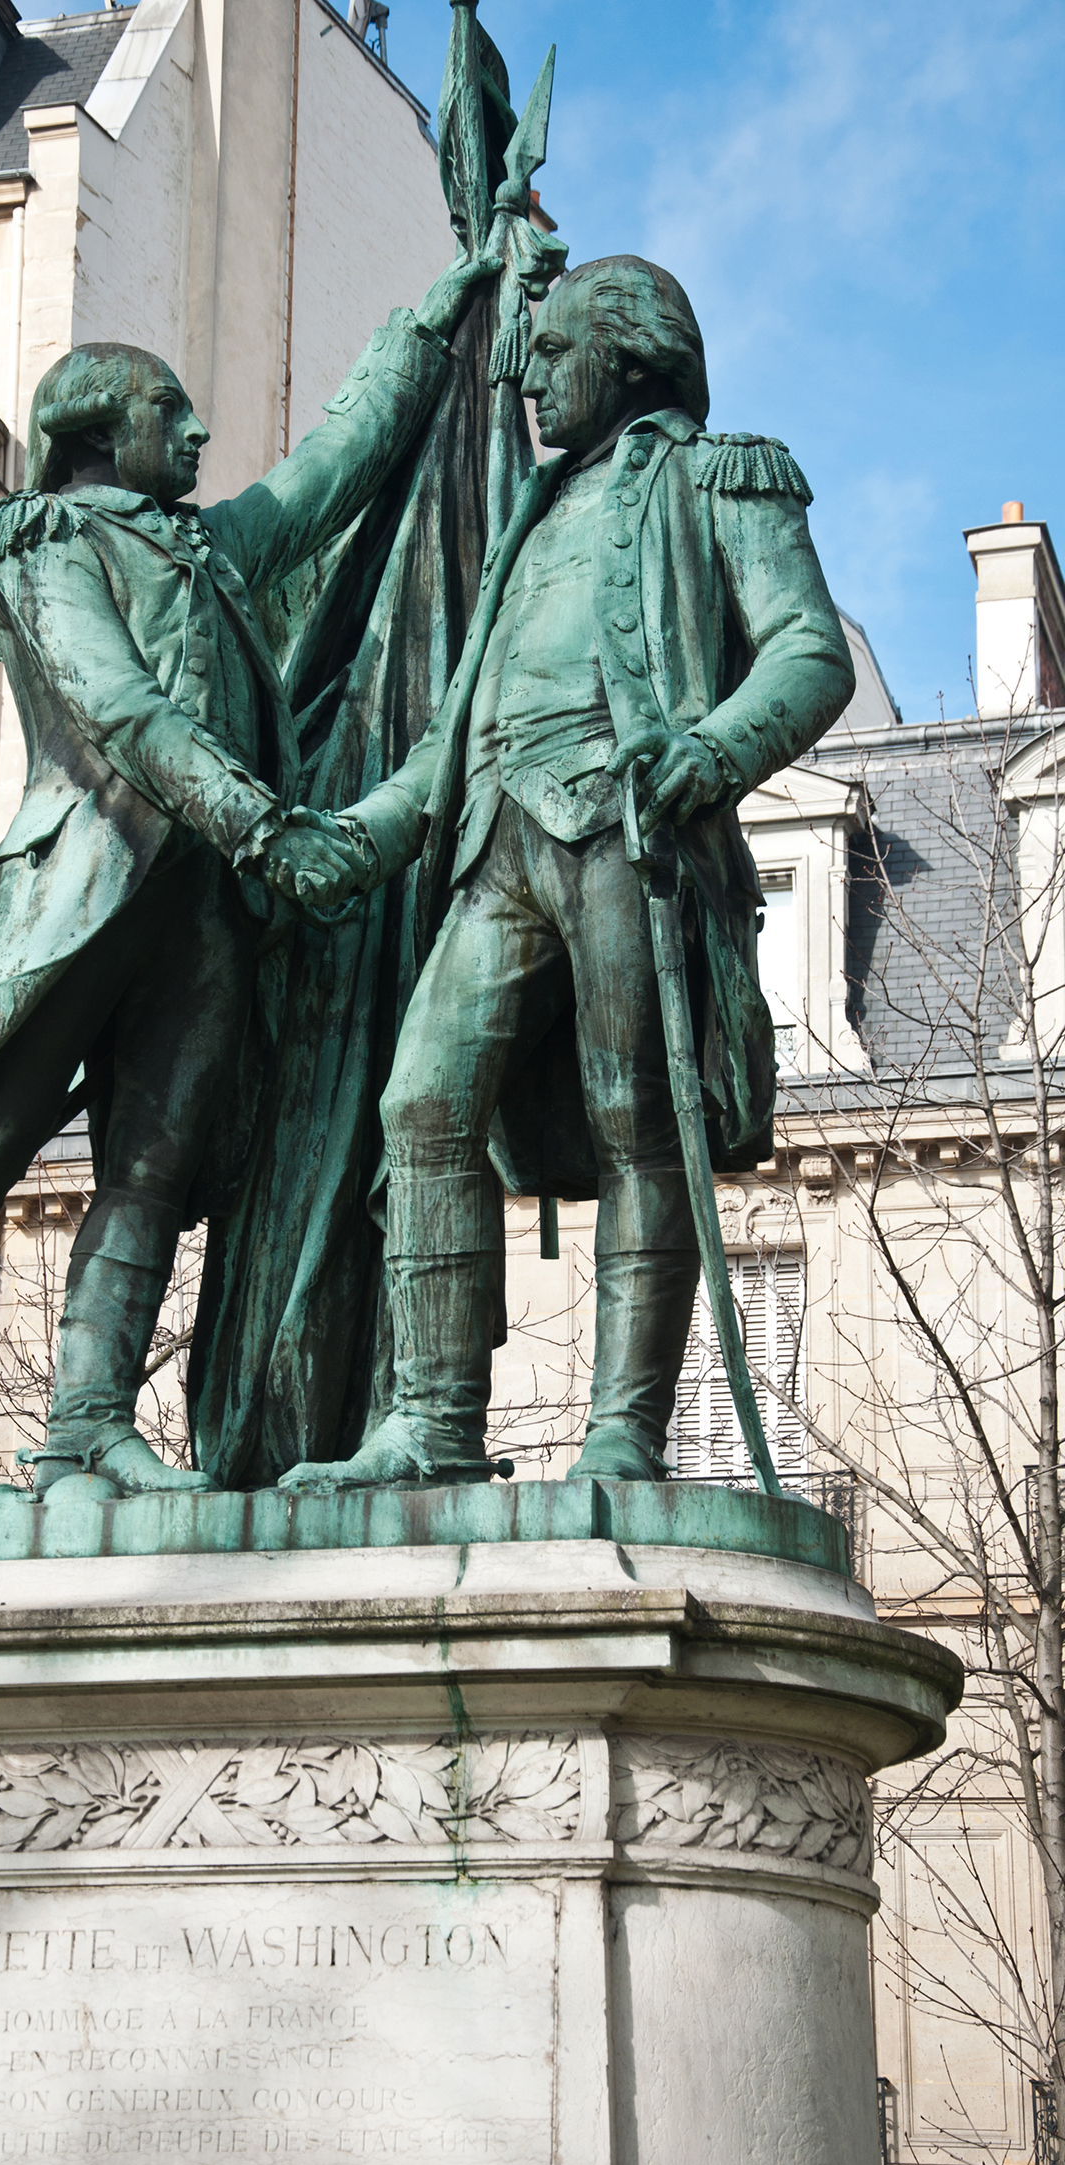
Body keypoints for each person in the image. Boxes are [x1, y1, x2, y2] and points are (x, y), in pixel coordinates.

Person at [0, 251, 496, 1507]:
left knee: (150, 1180)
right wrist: (266, 830)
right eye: (170, 412)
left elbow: (330, 471)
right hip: (86, 889)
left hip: (198, 917)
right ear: (98, 432)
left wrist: (434, 318)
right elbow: (124, 712)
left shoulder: (210, 550)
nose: (198, 426)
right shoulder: (45, 544)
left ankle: (86, 1429)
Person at [273, 255, 856, 1493]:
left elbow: (810, 656)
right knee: (421, 1108)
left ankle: (623, 1436)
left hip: (627, 828)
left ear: (627, 354)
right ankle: (432, 1425)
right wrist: (368, 835)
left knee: (638, 1122)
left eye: (552, 348)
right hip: (496, 836)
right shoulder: (526, 520)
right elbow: (452, 733)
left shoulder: (719, 476)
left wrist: (707, 752)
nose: (530, 371)